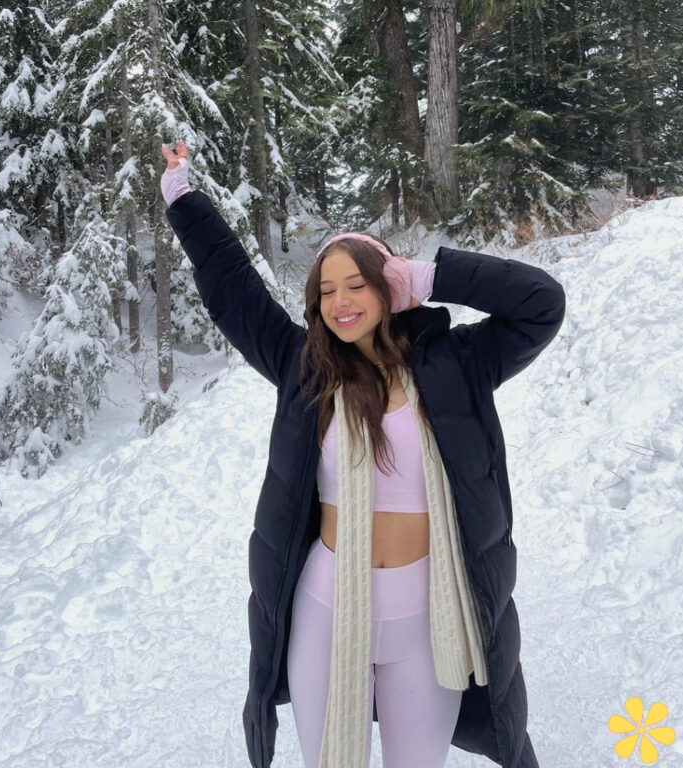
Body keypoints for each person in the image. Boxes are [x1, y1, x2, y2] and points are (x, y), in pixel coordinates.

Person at [161, 141, 566, 768]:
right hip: (326, 607)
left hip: (427, 616)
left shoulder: (458, 364)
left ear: (388, 289)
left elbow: (542, 304)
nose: (341, 301)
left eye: (357, 284)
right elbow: (234, 293)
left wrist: (431, 275)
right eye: (327, 290)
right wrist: (185, 200)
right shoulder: (304, 368)